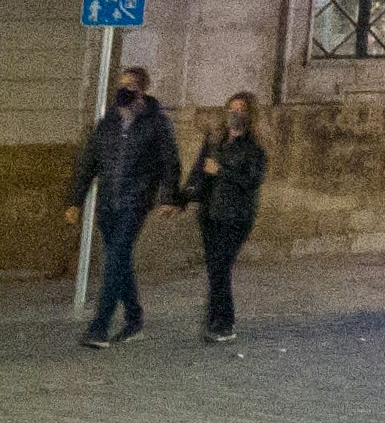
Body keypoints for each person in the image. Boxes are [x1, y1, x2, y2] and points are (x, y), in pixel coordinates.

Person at [64, 65, 180, 347]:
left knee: (114, 262)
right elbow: (88, 162)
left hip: (135, 202)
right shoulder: (108, 122)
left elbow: (169, 162)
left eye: (130, 85)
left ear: (141, 90)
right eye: (121, 84)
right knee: (121, 262)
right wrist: (75, 201)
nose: (123, 89)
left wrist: (168, 197)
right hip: (107, 203)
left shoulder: (156, 122)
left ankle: (100, 327)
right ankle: (134, 319)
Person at [183, 91, 269, 341]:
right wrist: (180, 199)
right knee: (214, 268)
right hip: (211, 214)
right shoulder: (215, 142)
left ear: (249, 114)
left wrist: (221, 171)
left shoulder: (254, 148)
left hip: (236, 217)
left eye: (241, 109)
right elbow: (198, 174)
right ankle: (215, 319)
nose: (235, 113)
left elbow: (252, 180)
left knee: (221, 267)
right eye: (232, 108)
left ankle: (225, 322)